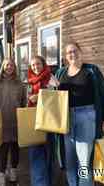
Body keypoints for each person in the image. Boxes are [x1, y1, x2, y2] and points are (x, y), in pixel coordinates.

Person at [55, 42, 104, 186]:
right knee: (69, 160)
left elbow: (103, 93)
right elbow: (55, 96)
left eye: (75, 51)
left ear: (80, 52)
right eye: (69, 52)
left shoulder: (92, 70)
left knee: (84, 161)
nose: (72, 54)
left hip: (87, 117)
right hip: (66, 118)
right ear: (66, 56)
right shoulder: (61, 73)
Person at [0, 58, 26, 186]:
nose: (9, 67)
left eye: (11, 65)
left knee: (15, 149)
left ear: (15, 67)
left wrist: (23, 117)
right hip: (2, 120)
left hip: (16, 120)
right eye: (7, 65)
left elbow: (24, 101)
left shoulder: (20, 83)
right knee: (2, 149)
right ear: (3, 67)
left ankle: (13, 171)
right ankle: (1, 174)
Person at [27, 55, 59, 186]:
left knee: (49, 156)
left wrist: (39, 97)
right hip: (33, 121)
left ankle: (49, 182)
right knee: (35, 156)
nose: (35, 67)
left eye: (38, 64)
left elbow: (56, 98)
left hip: (49, 121)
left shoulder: (51, 78)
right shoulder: (29, 81)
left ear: (43, 64)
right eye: (33, 65)